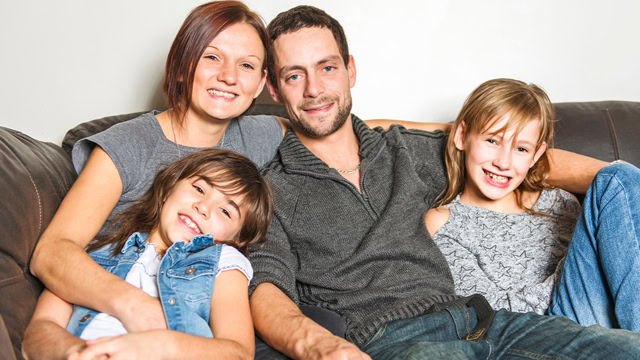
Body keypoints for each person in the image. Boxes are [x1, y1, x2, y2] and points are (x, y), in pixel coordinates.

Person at [29, 0, 445, 338]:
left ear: (263, 83)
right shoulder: (129, 144)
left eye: (246, 65)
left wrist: (464, 131)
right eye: (212, 57)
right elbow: (52, 252)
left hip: (222, 314)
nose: (228, 77)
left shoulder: (260, 134)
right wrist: (135, 306)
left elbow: (333, 122)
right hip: (127, 313)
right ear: (183, 62)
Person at [248, 5, 640, 359]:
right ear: (273, 87)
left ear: (350, 70)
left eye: (327, 67)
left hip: (487, 322)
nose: (314, 88)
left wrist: (611, 179)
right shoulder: (271, 190)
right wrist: (316, 343)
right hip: (393, 340)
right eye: (294, 75)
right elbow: (266, 287)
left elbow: (507, 153)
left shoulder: (406, 150)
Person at [426, 78, 640, 332]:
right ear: (461, 136)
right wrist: (582, 261)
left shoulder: (558, 201)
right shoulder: (444, 220)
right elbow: (493, 313)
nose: (503, 163)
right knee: (615, 178)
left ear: (537, 155)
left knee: (618, 180)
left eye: (521, 149)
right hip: (547, 328)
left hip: (607, 316)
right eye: (492, 141)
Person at [22, 149, 273, 359]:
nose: (203, 207)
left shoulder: (222, 262)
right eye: (199, 189)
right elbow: (40, 329)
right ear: (168, 189)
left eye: (226, 211)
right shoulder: (95, 252)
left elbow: (237, 353)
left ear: (237, 239)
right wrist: (78, 352)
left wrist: (160, 345)